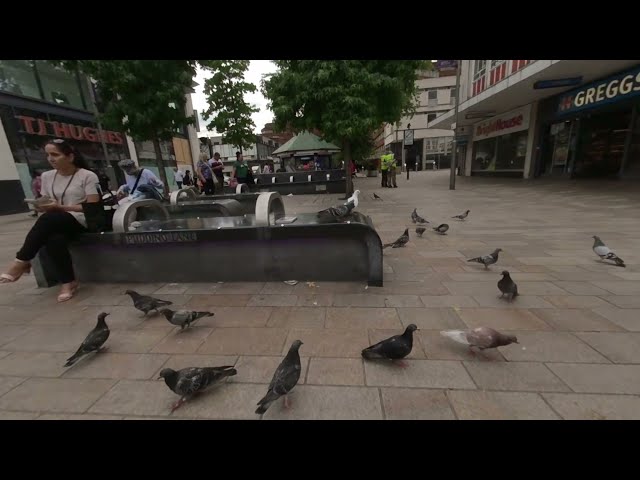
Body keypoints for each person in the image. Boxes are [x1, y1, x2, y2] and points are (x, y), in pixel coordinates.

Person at [1, 139, 100, 302]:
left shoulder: (87, 176)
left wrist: (61, 207)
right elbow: (47, 200)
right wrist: (41, 206)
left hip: (81, 221)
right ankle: (68, 282)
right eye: (47, 155)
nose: (50, 159)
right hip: (55, 221)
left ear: (70, 157)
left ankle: (22, 261)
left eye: (55, 154)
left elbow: (93, 208)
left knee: (51, 219)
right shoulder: (46, 176)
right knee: (54, 239)